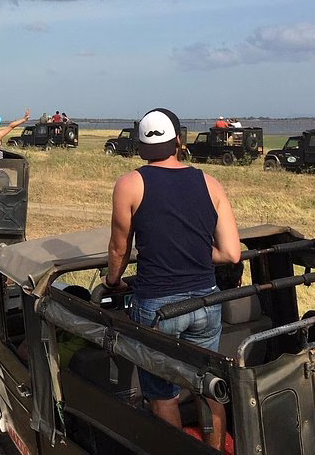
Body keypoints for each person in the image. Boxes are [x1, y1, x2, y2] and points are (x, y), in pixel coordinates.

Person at [105, 107, 241, 451]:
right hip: (206, 302)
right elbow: (231, 254)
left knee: (161, 392)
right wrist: (193, 250)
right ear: (178, 142)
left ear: (139, 147)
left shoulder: (129, 184)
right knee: (206, 384)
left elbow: (119, 249)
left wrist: (112, 282)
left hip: (158, 306)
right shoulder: (210, 183)